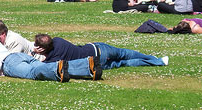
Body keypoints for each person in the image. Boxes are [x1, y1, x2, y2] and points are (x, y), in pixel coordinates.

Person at [0, 26, 102, 82]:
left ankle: (57, 69)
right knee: (39, 67)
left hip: (6, 64)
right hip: (18, 56)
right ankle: (87, 65)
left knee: (33, 73)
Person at [33, 34, 168, 69]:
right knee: (125, 53)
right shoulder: (58, 40)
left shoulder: (53, 60)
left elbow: (42, 66)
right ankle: (156, 59)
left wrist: (37, 54)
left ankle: (156, 62)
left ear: (42, 49)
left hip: (97, 62)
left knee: (124, 63)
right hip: (97, 48)